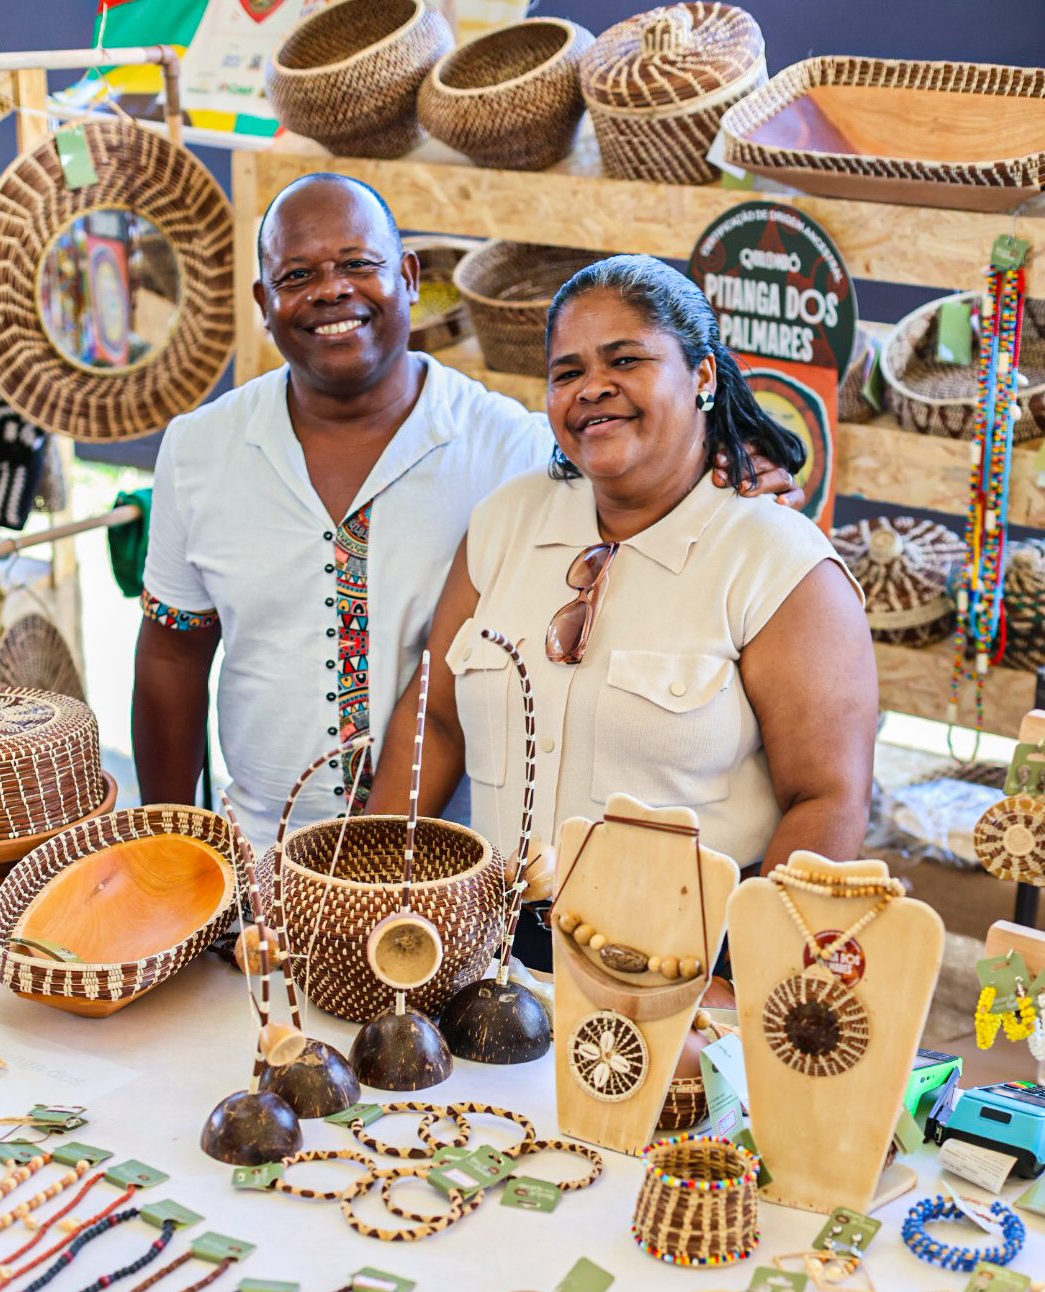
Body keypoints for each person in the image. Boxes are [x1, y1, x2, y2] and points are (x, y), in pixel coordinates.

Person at [134, 176, 804, 851]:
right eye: (297, 273)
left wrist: (730, 460)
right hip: (257, 855)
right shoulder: (200, 450)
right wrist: (166, 847)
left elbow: (633, 454)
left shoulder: (513, 451)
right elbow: (172, 654)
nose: (331, 289)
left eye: (359, 265)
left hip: (458, 869)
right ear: (263, 301)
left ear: (409, 275)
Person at [365, 256, 876, 933]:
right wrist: (364, 890)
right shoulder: (504, 522)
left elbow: (828, 798)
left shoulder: (778, 563)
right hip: (486, 953)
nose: (592, 388)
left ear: (702, 375)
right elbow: (434, 722)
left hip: (678, 971)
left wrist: (745, 981)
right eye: (567, 372)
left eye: (625, 361)